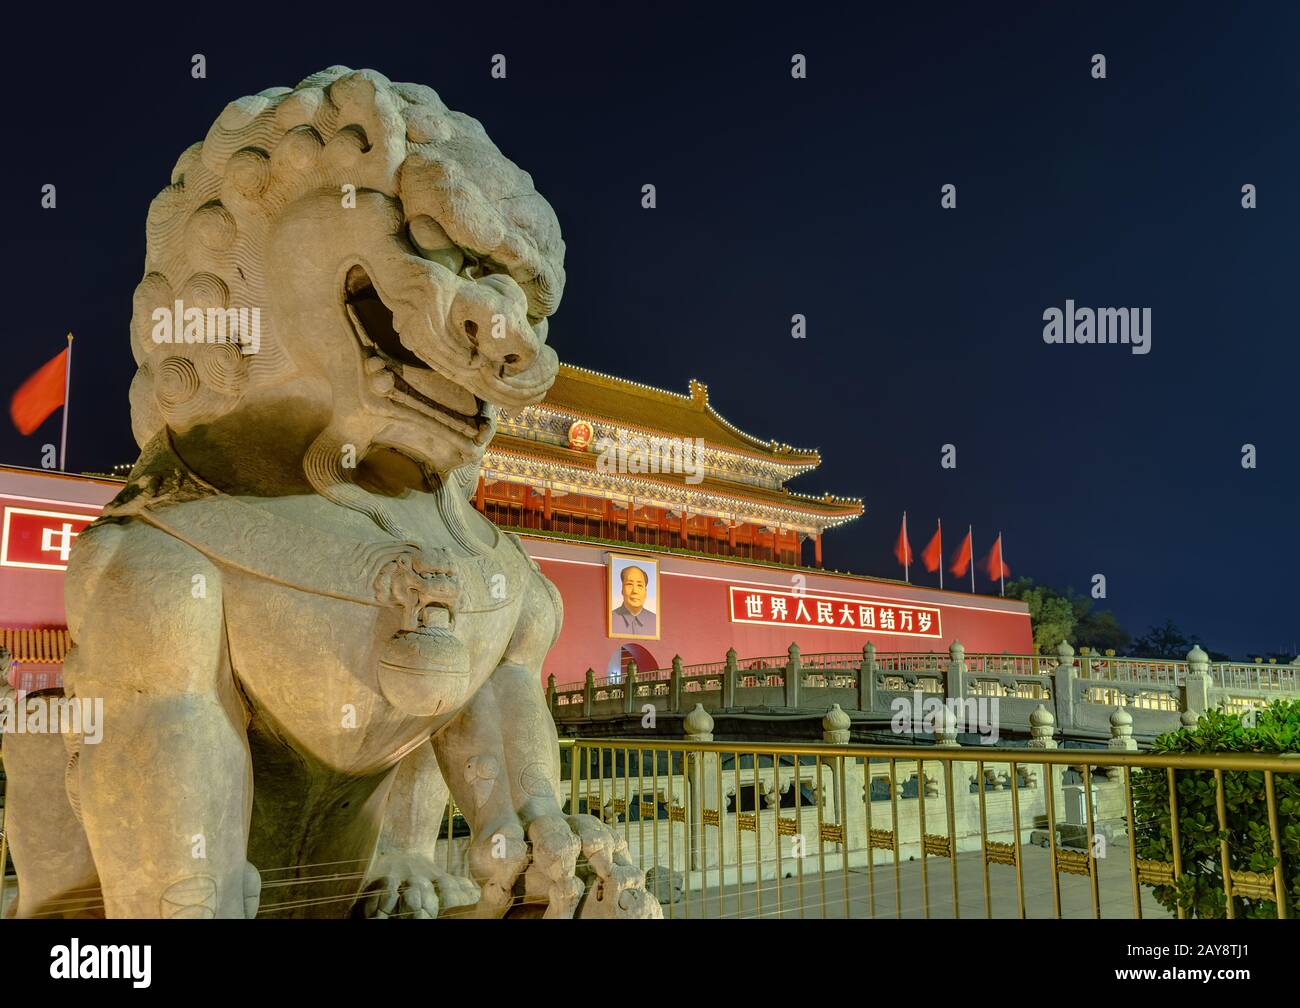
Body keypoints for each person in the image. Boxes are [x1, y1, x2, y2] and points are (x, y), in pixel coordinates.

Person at [611, 563, 657, 636]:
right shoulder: (611, 618)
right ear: (622, 589)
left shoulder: (656, 621)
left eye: (639, 585)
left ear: (645, 591)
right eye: (629, 584)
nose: (635, 591)